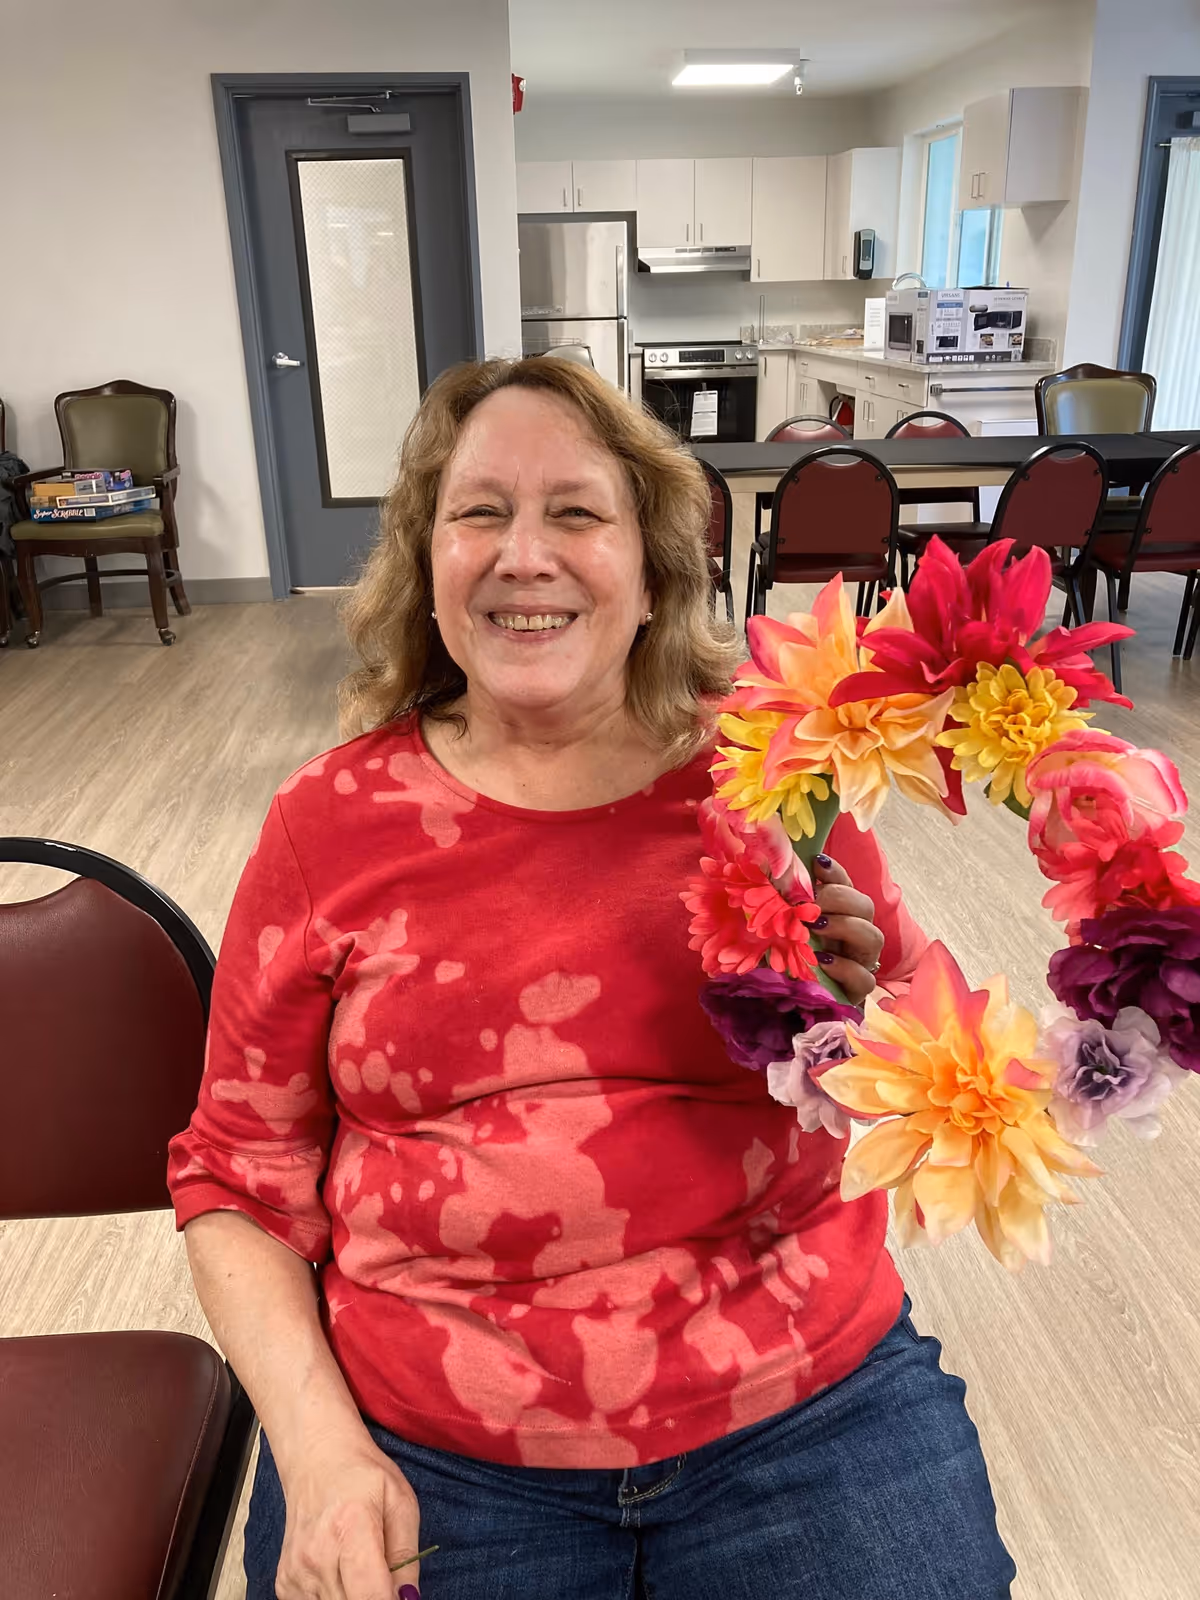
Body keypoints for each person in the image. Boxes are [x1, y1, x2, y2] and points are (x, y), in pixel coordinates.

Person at [168, 357, 1015, 1600]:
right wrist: (319, 1447)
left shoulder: (779, 782)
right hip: (433, 1445)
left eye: (576, 512)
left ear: (652, 569)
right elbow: (237, 1177)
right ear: (427, 562)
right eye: (480, 513)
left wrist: (876, 1009)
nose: (526, 555)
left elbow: (945, 1101)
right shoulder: (330, 824)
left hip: (803, 1407)